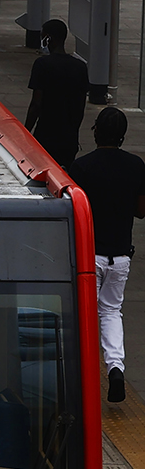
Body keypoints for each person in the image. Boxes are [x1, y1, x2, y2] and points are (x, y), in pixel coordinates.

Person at [69, 107, 145, 402]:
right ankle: (115, 366)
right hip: (120, 257)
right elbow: (141, 211)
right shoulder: (136, 166)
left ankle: (82, 372)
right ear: (123, 136)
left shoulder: (82, 167)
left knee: (82, 311)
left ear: (96, 131)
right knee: (111, 311)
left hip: (89, 255)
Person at [25, 19, 90, 170]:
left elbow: (36, 104)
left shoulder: (42, 65)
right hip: (69, 137)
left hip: (46, 134)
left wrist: (26, 131)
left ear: (49, 38)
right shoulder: (80, 67)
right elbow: (81, 106)